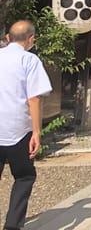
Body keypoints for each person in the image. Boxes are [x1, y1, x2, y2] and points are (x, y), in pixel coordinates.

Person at [0, 21, 52, 230]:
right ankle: (12, 225)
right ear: (31, 39)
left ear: (8, 38)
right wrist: (37, 132)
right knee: (24, 176)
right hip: (18, 129)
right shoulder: (29, 60)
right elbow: (34, 98)